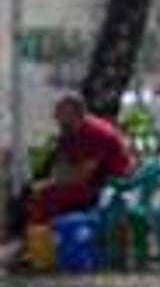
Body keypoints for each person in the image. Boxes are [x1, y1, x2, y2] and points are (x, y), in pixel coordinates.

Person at [4, 93, 134, 246]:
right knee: (25, 194)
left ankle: (40, 245)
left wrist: (53, 182)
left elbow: (84, 174)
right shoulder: (70, 132)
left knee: (44, 198)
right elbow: (59, 166)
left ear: (74, 113)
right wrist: (49, 180)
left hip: (110, 186)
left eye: (59, 113)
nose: (55, 117)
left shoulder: (95, 132)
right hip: (88, 181)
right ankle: (23, 242)